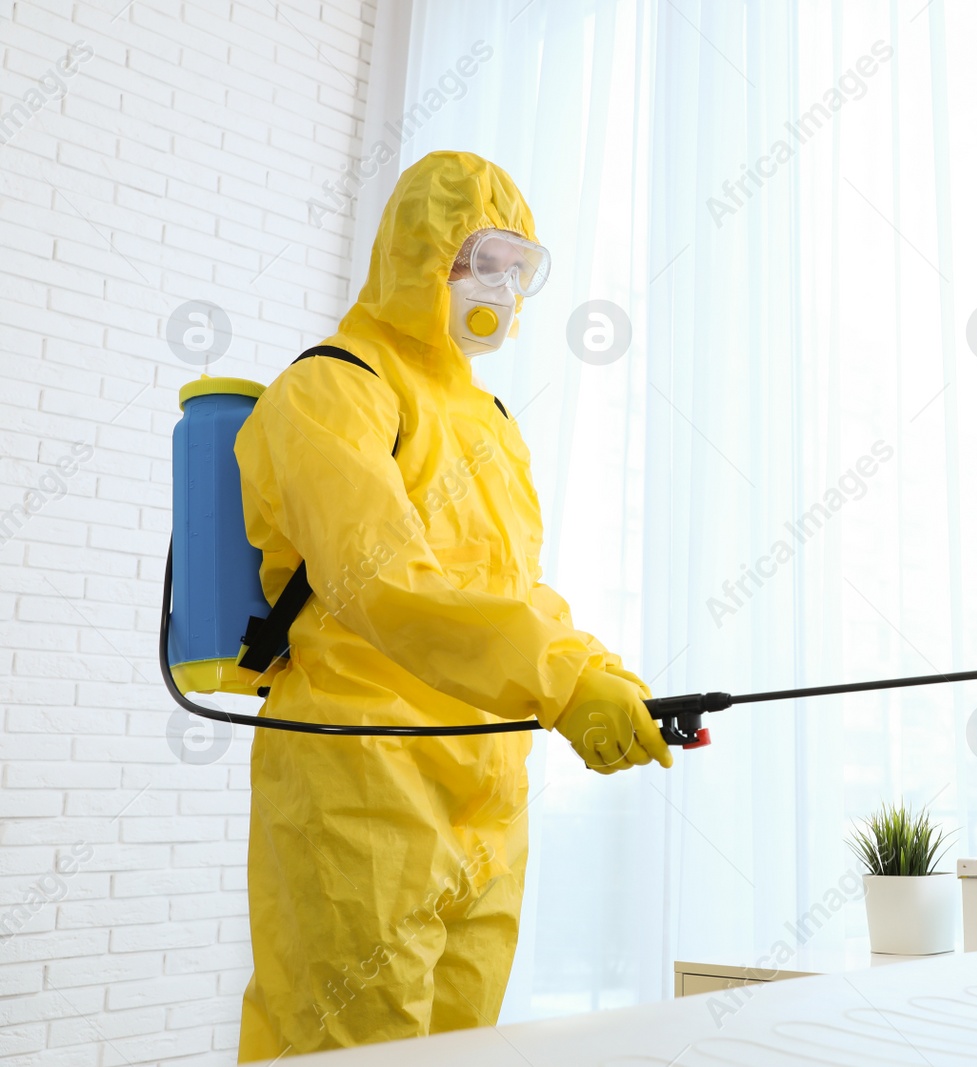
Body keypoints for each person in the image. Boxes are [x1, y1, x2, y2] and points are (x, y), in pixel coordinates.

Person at [232, 150, 670, 1061]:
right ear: (419, 255)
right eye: (481, 258)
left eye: (517, 268)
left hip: (486, 782)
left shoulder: (489, 419)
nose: (500, 287)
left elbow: (508, 587)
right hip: (363, 777)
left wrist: (594, 671)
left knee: (466, 1050)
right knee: (350, 1044)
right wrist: (554, 679)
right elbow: (385, 582)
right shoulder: (334, 388)